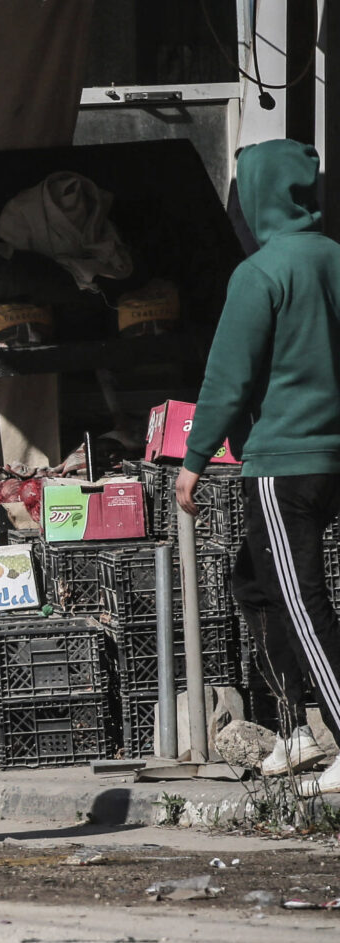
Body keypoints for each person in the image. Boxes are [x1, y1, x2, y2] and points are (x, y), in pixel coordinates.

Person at [184, 139, 340, 796]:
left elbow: (227, 379)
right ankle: (295, 730)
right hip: (331, 456)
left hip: (282, 461)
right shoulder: (334, 258)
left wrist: (192, 461)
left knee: (302, 602)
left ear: (255, 196)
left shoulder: (260, 273)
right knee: (255, 582)